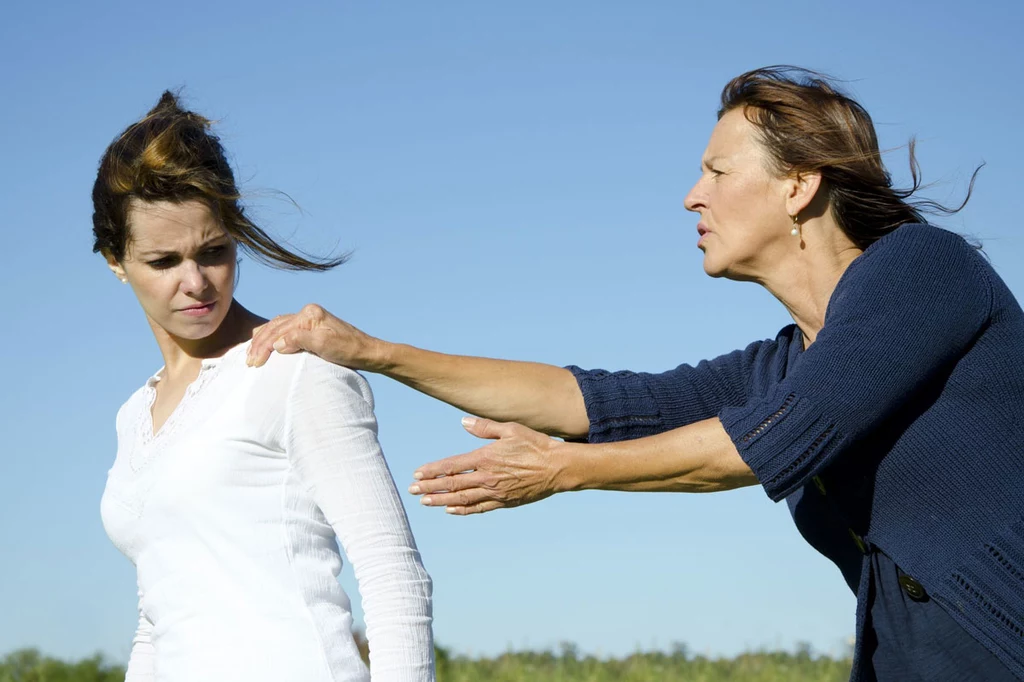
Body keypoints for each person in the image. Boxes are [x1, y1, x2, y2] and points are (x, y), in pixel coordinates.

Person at [247, 67, 1024, 680]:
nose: (694, 196)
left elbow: (777, 439)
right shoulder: (784, 362)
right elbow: (595, 400)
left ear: (799, 183)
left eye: (718, 172)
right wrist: (372, 351)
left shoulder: (923, 269)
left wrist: (563, 471)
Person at [95, 92, 435, 682]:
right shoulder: (133, 417)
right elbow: (160, 614)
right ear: (115, 260)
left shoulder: (294, 370)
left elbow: (392, 572)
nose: (195, 282)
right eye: (163, 261)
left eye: (214, 251)